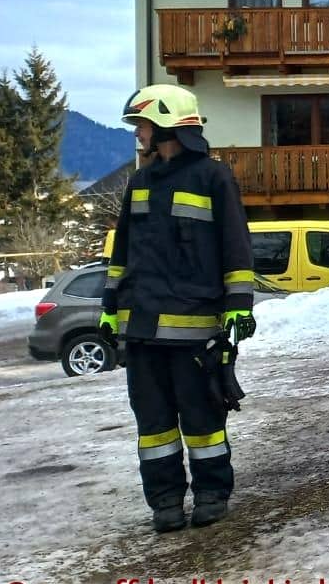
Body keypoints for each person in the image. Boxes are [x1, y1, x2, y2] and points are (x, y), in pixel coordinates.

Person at [100, 84, 256, 532]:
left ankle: (211, 494)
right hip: (141, 332)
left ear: (167, 124)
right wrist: (109, 308)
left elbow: (235, 246)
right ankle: (165, 502)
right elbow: (121, 254)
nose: (138, 133)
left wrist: (238, 306)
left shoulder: (213, 177)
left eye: (143, 125)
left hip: (194, 332)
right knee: (154, 427)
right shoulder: (140, 182)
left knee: (203, 420)